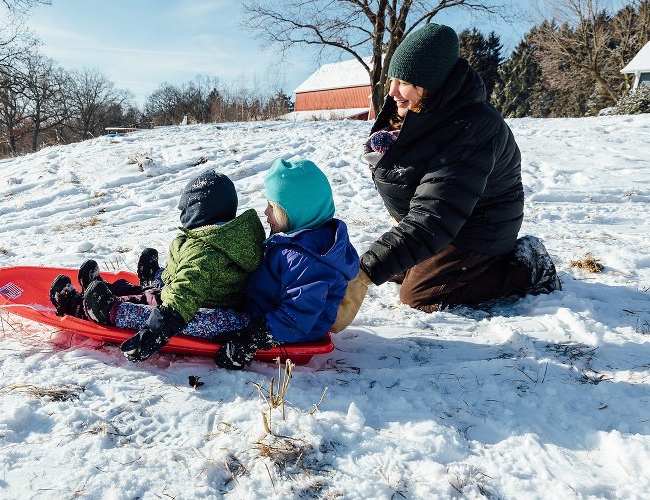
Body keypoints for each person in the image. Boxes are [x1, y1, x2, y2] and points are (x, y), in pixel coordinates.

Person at [333, 23, 561, 331]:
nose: (392, 91)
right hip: (451, 220)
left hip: (480, 229)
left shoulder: (473, 130)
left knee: (419, 293)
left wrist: (365, 271)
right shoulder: (417, 109)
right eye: (392, 78)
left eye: (405, 82)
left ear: (434, 84)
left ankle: (524, 268)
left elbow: (434, 217)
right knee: (399, 268)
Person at [53, 169, 266, 361]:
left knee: (147, 308)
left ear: (198, 211)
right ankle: (110, 288)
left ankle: (94, 308)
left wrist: (155, 333)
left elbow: (185, 291)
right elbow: (191, 277)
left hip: (199, 311)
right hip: (209, 297)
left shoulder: (205, 251)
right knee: (150, 292)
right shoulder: (227, 238)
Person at [213, 159, 360, 370]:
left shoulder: (307, 258)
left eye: (272, 206)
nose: (265, 211)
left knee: (199, 322)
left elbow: (297, 315)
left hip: (282, 330)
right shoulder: (297, 242)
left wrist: (250, 340)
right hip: (262, 314)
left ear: (295, 210)